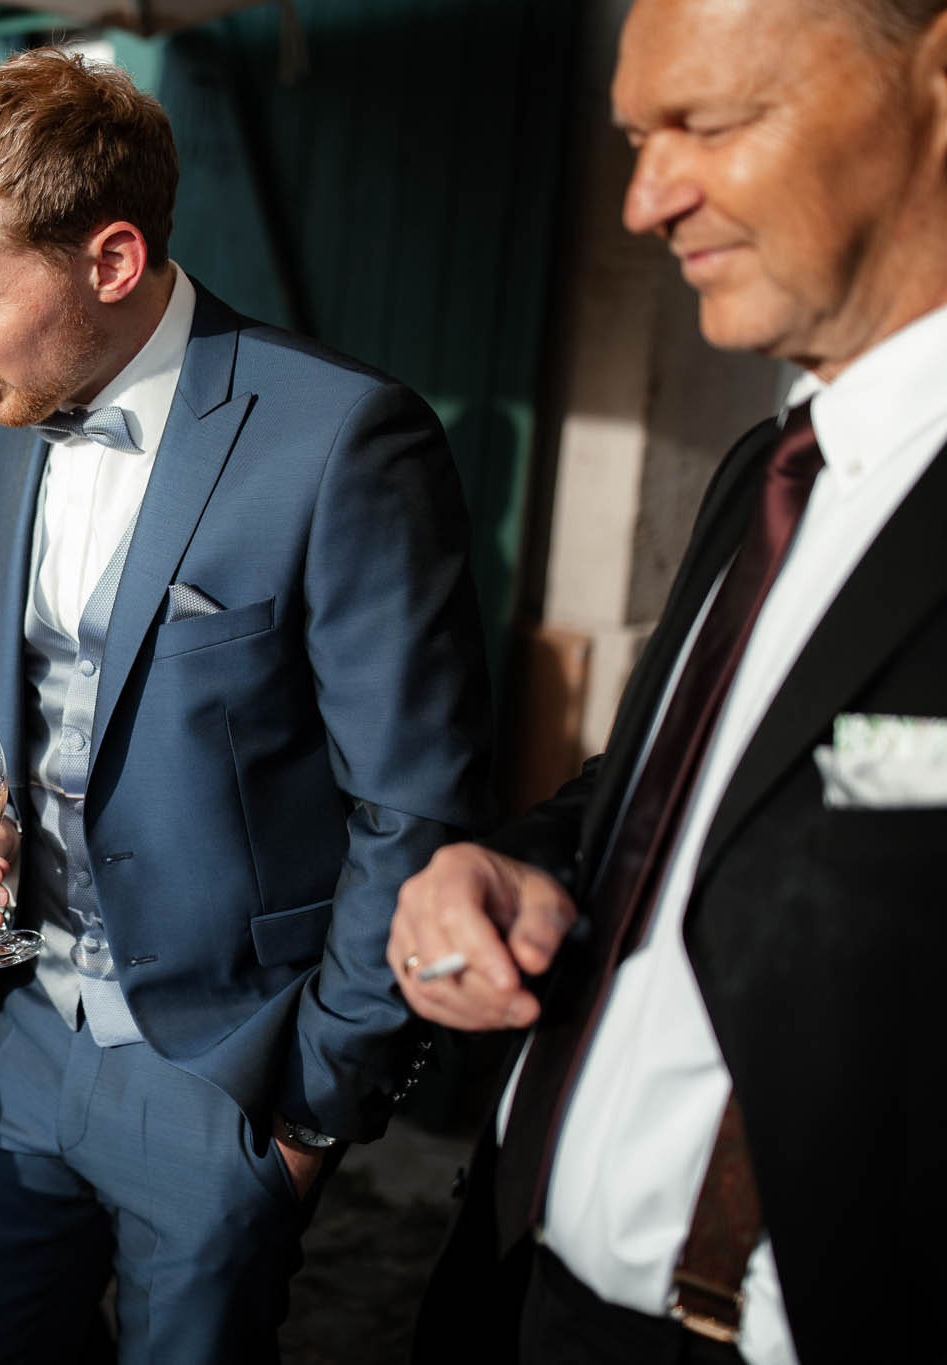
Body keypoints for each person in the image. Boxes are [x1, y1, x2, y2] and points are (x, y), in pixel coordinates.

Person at [0, 48, 495, 1363]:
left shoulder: (343, 440)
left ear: (112, 260)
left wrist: (310, 1112)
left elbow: (412, 803)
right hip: (17, 1038)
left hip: (224, 1076)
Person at [390, 2, 947, 1362]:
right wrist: (517, 865)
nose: (646, 199)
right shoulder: (767, 470)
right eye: (639, 136)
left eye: (711, 121)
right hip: (520, 1298)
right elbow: (669, 803)